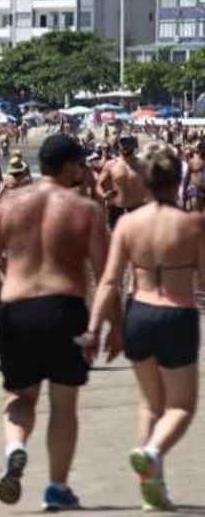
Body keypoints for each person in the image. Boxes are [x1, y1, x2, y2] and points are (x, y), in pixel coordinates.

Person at [0, 133, 109, 511]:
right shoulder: (85, 210)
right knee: (64, 405)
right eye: (80, 163)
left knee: (20, 397)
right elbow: (105, 275)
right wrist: (105, 324)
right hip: (65, 309)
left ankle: (15, 447)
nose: (85, 169)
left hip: (17, 308)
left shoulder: (9, 203)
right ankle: (56, 487)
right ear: (67, 167)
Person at [85, 145, 202, 512]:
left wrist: (94, 329)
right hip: (177, 313)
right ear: (177, 179)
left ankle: (153, 488)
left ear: (147, 181)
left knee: (150, 403)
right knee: (181, 406)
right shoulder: (192, 224)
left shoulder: (126, 224)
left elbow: (108, 282)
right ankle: (151, 452)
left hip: (139, 313)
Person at [97, 133, 149, 229]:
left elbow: (153, 185)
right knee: (115, 239)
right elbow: (99, 184)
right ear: (118, 145)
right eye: (122, 142)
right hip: (116, 209)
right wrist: (104, 194)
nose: (125, 145)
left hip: (137, 208)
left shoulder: (143, 165)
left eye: (128, 143)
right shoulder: (111, 164)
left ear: (134, 145)